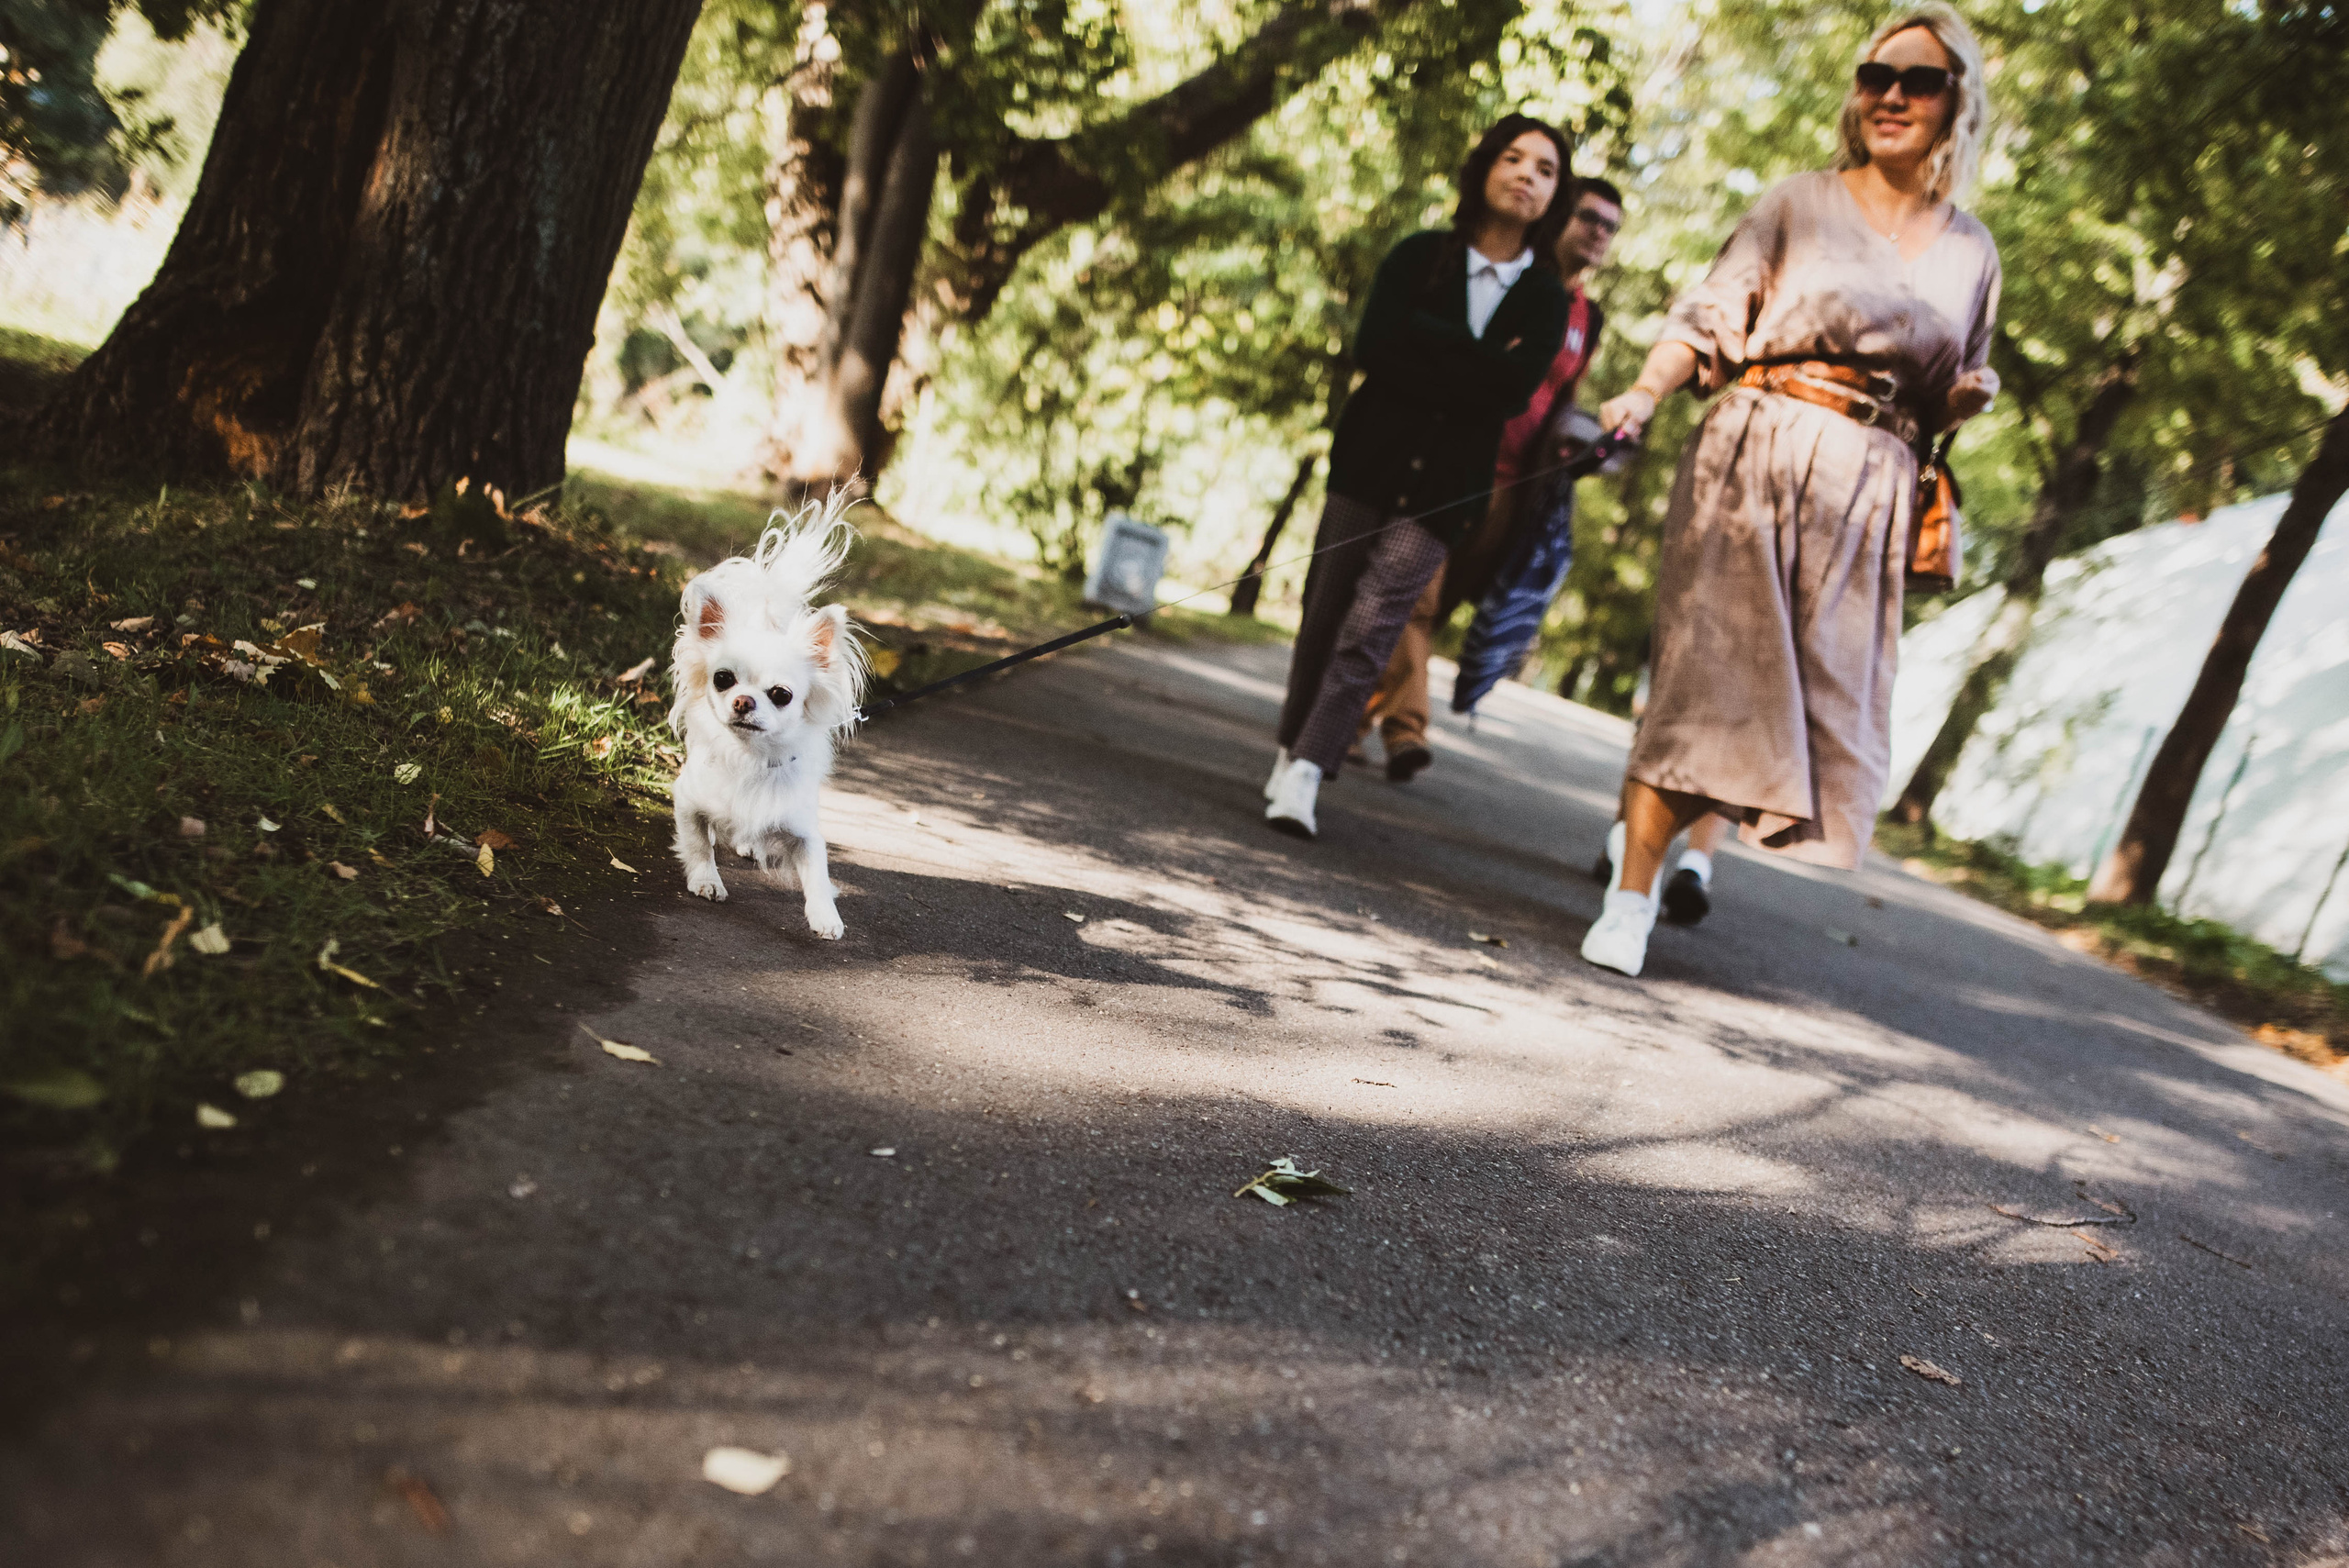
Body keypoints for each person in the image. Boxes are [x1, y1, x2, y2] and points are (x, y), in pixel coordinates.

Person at [1579, 4, 2001, 976]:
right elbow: (1710, 313)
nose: (1891, 94)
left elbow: (1952, 380)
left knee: (1802, 707)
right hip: (1758, 456)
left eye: (1918, 80)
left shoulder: (1971, 248)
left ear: (1954, 104)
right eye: (1874, 76)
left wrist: (1963, 399)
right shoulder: (1796, 202)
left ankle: (1667, 852)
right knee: (1707, 679)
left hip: (1872, 488)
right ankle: (1632, 896)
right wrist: (1645, 389)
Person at [1264, 115, 1575, 838]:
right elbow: (1378, 346)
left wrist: (1433, 345)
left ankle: (1310, 770)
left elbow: (1511, 392)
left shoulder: (1546, 299)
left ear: (1554, 194)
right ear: (1486, 169)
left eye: (1546, 168)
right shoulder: (1420, 257)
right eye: (1514, 157)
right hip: (1367, 464)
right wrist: (1473, 359)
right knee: (1324, 614)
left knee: (1372, 626)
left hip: (1447, 489)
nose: (1527, 174)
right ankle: (1288, 747)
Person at [1358, 178, 1627, 784]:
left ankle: (1350, 721)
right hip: (1453, 468)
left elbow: (1563, 396)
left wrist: (1580, 445)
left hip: (1512, 491)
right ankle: (1407, 730)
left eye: (1611, 226)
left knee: (1434, 610)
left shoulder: (1591, 316)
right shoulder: (1510, 283)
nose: (1598, 232)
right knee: (1413, 602)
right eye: (1588, 217)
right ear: (1560, 217)